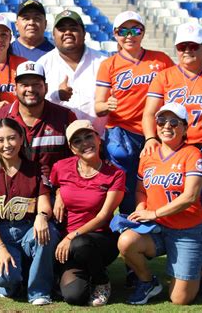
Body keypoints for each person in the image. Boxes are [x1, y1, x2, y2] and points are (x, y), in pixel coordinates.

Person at [142, 23, 202, 299]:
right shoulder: (164, 76)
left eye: (193, 46)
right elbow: (150, 113)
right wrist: (151, 139)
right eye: (182, 47)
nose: (187, 51)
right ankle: (191, 267)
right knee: (181, 211)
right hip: (175, 151)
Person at [118, 103, 202, 305]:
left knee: (180, 299)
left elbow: (190, 197)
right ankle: (148, 282)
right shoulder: (148, 154)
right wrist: (141, 207)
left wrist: (154, 213)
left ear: (185, 128)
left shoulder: (193, 154)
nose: (166, 126)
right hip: (157, 229)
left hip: (187, 230)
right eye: (161, 121)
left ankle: (198, 269)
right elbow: (141, 190)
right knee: (126, 241)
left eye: (174, 122)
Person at [94, 11, 174, 216]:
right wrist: (107, 104)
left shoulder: (161, 59)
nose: (129, 36)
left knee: (155, 183)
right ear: (115, 34)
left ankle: (150, 233)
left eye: (135, 30)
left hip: (156, 133)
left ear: (143, 32)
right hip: (122, 132)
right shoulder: (108, 64)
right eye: (124, 31)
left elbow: (179, 81)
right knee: (124, 188)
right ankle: (123, 229)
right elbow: (98, 106)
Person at [0, 118, 59, 305]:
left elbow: (44, 204)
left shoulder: (35, 168)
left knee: (48, 233)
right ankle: (7, 282)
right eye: (1, 140)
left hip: (28, 229)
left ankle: (38, 291)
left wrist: (42, 216)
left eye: (12, 138)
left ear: (21, 139)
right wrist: (1, 249)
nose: (7, 145)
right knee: (7, 278)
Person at [51, 120, 125, 306]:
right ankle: (86, 275)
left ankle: (101, 280)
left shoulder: (115, 174)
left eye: (89, 136)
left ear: (99, 139)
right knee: (74, 297)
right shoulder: (61, 166)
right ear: (71, 148)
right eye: (77, 141)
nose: (85, 143)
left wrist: (71, 237)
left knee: (80, 243)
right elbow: (52, 188)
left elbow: (103, 217)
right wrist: (59, 194)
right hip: (66, 244)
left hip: (99, 240)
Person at [37, 10, 108, 135]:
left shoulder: (104, 63)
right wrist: (57, 96)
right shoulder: (42, 65)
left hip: (98, 141)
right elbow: (33, 103)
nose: (68, 32)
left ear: (84, 33)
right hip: (58, 139)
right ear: (53, 34)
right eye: (62, 29)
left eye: (73, 28)